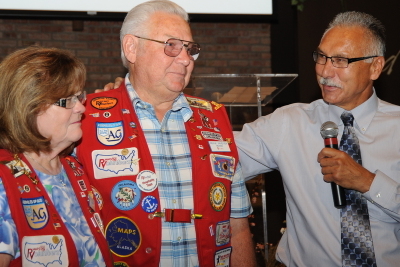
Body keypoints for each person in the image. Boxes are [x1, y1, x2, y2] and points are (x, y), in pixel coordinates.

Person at [75, 0, 256, 266]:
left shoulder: (215, 119)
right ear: (132, 48)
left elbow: (237, 225)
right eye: (171, 45)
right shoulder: (82, 118)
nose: (185, 59)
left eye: (190, 49)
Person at [235, 11, 400, 266]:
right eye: (321, 57)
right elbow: (218, 159)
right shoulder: (288, 123)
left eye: (340, 60)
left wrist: (367, 182)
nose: (325, 71)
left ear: (375, 67)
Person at [0, 47, 113, 266]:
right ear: (27, 107)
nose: (81, 107)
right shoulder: (4, 181)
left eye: (79, 96)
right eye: (66, 100)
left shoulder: (72, 168)